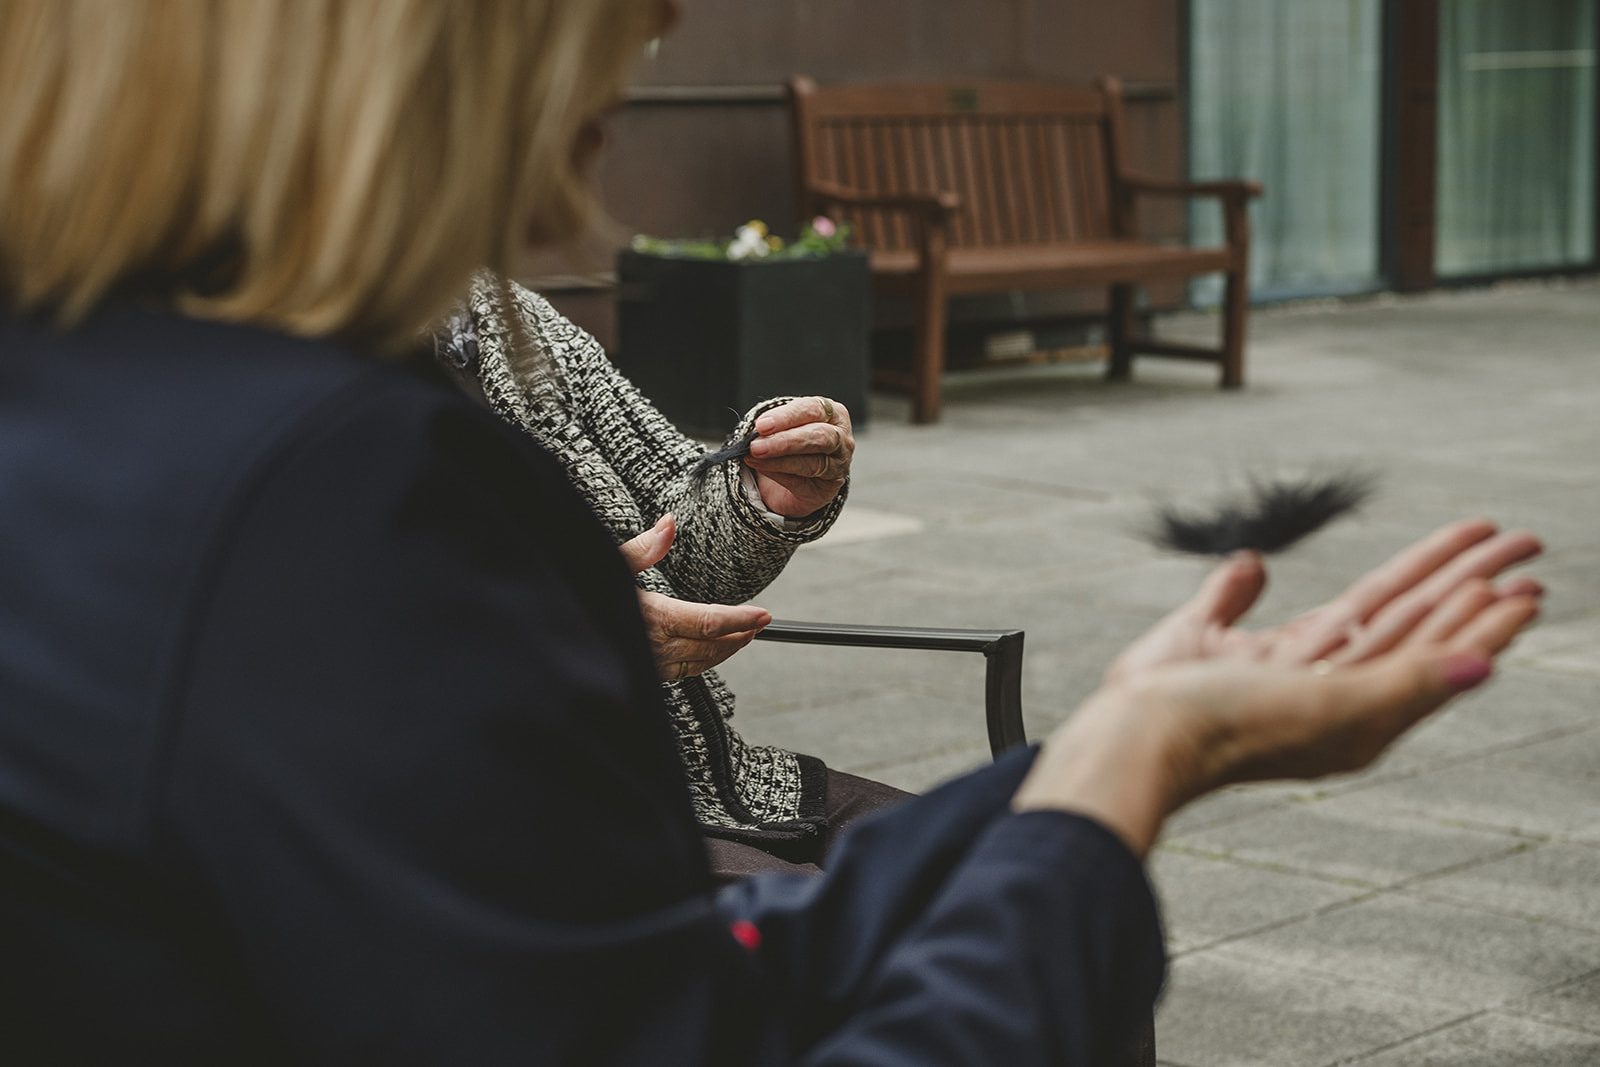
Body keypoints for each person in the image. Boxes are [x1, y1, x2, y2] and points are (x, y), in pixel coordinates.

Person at [0, 1, 1544, 1063]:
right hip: (686, 801)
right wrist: (1134, 779)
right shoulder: (338, 488)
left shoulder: (113, 398)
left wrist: (1096, 741)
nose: (665, 16)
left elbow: (595, 971)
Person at [434, 274, 907, 880]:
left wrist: (760, 497)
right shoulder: (298, 368)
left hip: (697, 777)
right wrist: (561, 627)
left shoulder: (505, 317)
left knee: (977, 866)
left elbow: (677, 530)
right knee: (835, 932)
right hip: (500, 814)